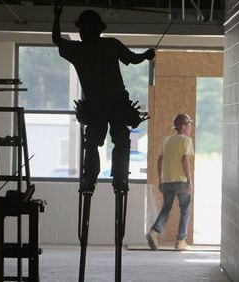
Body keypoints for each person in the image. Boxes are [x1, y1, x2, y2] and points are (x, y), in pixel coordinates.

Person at [52, 4, 155, 192]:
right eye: (83, 29)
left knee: (118, 140)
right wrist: (57, 17)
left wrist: (145, 56)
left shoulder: (108, 45)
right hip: (98, 105)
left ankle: (117, 177)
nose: (85, 32)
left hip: (114, 103)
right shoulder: (82, 49)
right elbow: (57, 40)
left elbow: (132, 58)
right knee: (94, 142)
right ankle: (92, 178)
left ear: (97, 30)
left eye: (87, 28)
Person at [146, 113, 194, 251]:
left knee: (166, 209)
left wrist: (161, 179)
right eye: (189, 125)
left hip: (167, 181)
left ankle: (154, 232)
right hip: (181, 181)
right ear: (184, 127)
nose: (190, 128)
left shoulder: (167, 140)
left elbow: (160, 159)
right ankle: (180, 241)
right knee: (185, 210)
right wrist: (189, 181)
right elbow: (184, 159)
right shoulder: (186, 140)